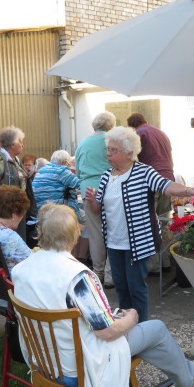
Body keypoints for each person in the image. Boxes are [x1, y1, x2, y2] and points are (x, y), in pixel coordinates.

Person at [12, 204, 194, 387]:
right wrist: (132, 317)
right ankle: (188, 379)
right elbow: (107, 332)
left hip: (43, 361)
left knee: (134, 332)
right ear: (76, 234)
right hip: (76, 365)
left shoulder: (21, 269)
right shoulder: (76, 277)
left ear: (40, 231)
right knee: (154, 329)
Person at [84, 126, 194, 323]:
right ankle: (126, 325)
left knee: (136, 287)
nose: (109, 154)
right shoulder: (105, 176)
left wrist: (189, 191)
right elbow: (98, 209)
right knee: (121, 286)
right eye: (108, 150)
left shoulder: (144, 172)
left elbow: (167, 186)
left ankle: (142, 329)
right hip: (114, 242)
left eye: (114, 150)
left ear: (129, 153)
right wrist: (93, 200)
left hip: (138, 242)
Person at [126, 112, 175, 276]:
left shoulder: (138, 134)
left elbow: (133, 160)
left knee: (149, 223)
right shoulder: (161, 133)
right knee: (164, 222)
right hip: (168, 180)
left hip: (151, 181)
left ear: (132, 126)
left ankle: (153, 266)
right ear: (144, 120)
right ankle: (166, 261)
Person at [75, 111, 116, 288]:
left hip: (88, 190)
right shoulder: (112, 141)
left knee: (96, 233)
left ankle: (98, 271)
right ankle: (110, 275)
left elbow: (77, 171)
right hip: (111, 188)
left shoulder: (82, 143)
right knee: (115, 231)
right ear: (111, 126)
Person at [0, 185, 31, 308]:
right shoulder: (9, 237)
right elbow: (32, 262)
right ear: (14, 214)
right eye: (22, 214)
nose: (22, 217)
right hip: (13, 296)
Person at [0, 126, 37, 242]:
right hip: (4, 210)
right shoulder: (0, 159)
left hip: (16, 209)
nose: (22, 145)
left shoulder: (16, 160)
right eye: (20, 141)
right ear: (13, 144)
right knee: (7, 243)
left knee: (18, 241)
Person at [32, 149, 82, 222]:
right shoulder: (62, 171)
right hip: (56, 213)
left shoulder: (41, 170)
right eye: (69, 163)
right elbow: (80, 185)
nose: (69, 166)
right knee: (86, 218)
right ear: (64, 162)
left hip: (40, 212)